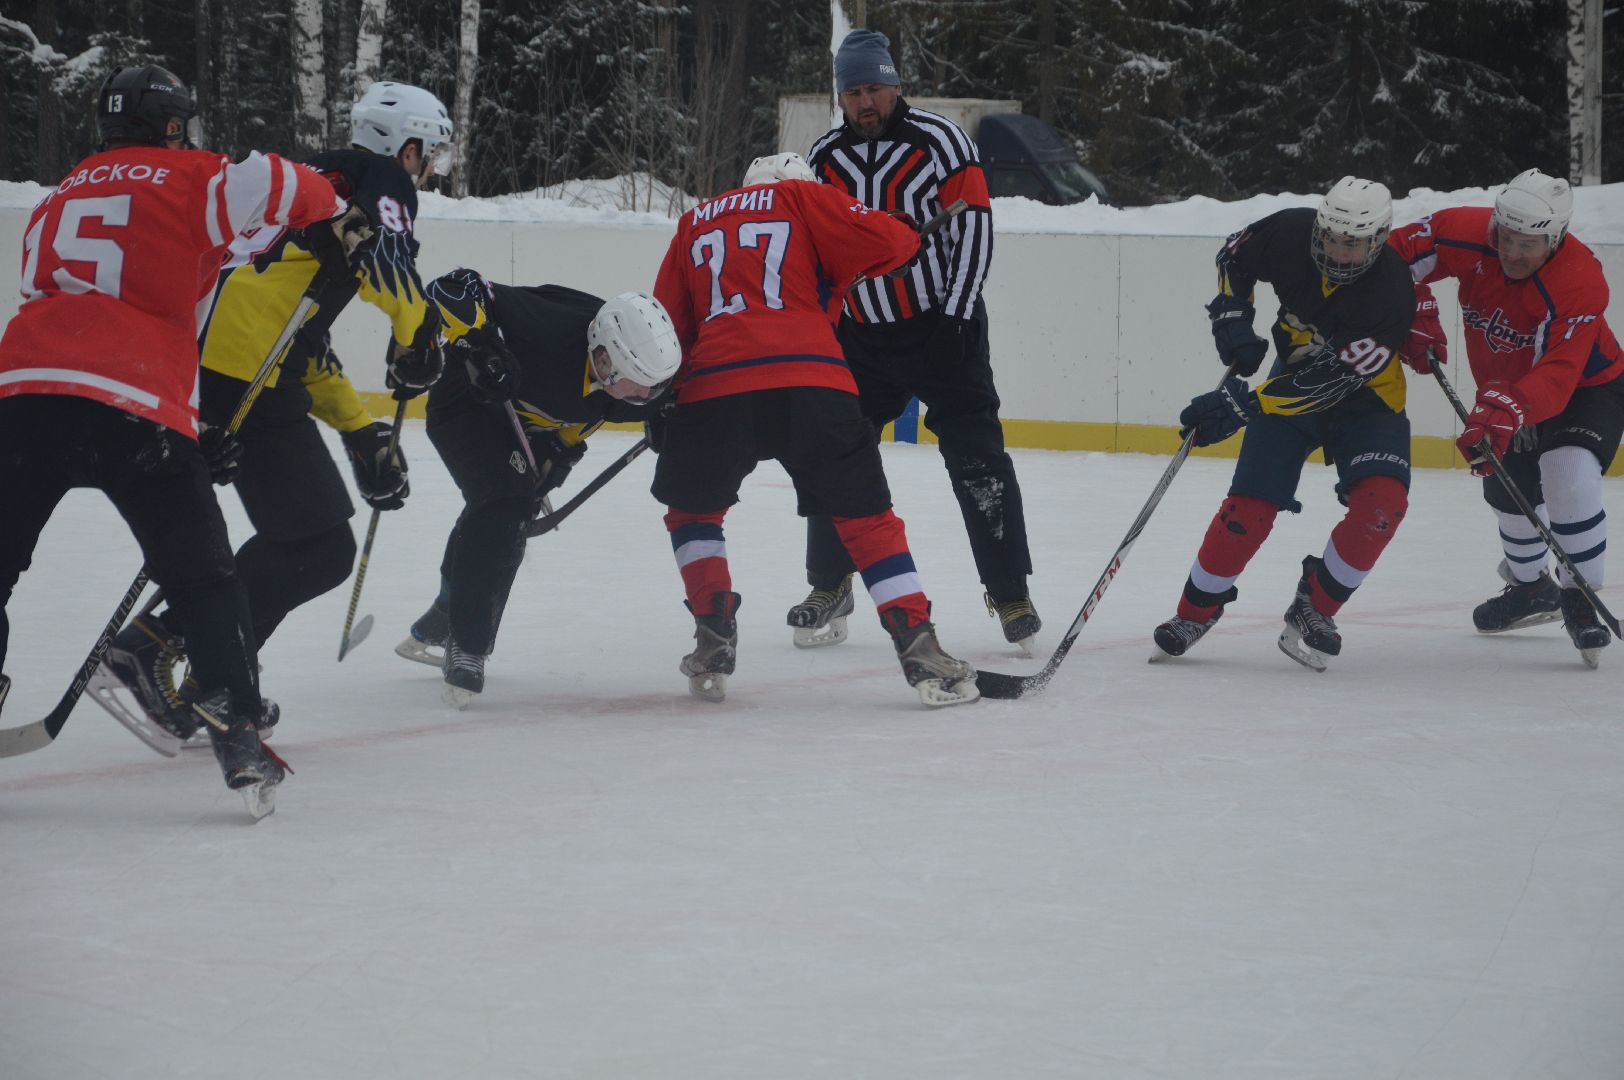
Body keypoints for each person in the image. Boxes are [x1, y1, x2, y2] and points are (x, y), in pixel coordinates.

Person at [0, 66, 349, 802]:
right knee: (202, 575)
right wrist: (334, 197)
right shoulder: (193, 178)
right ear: (169, 125)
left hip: (23, 392)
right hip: (131, 399)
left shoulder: (57, 197)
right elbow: (282, 184)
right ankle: (235, 725)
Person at [94, 80, 453, 736]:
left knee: (307, 541)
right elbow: (390, 270)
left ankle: (208, 681)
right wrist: (418, 337)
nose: (427, 171)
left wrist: (358, 428)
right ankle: (162, 648)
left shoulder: (322, 176)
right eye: (427, 154)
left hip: (213, 363)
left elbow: (297, 332)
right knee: (318, 548)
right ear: (405, 149)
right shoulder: (380, 181)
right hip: (243, 373)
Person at [650, 153, 979, 707]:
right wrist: (900, 230)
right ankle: (918, 643)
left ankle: (712, 634)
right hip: (811, 379)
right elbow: (891, 243)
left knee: (693, 512)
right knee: (867, 519)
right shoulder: (803, 196)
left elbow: (667, 321)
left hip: (716, 382)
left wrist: (670, 400)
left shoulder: (696, 220)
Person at [794, 29, 1040, 654]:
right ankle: (830, 582)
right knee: (833, 452)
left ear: (896, 85)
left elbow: (975, 230)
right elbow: (815, 253)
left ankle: (1010, 591)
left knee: (978, 460)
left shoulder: (942, 142)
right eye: (853, 92)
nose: (865, 102)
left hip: (941, 326)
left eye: (874, 87)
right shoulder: (822, 159)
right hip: (861, 338)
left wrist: (955, 318)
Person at [1150, 177, 1416, 670]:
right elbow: (1235, 257)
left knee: (1382, 510)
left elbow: (1329, 382)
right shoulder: (1291, 231)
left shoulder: (1392, 295)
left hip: (1367, 401)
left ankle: (1315, 606)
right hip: (1287, 380)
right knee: (1245, 511)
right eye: (1330, 236)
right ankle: (1194, 612)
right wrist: (1232, 316)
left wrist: (1242, 407)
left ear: (1377, 241)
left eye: (1352, 243)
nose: (1336, 250)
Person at [395, 269, 680, 706]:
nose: (638, 397)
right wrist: (481, 348)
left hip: (533, 427)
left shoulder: (639, 384)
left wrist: (564, 454)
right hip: (468, 403)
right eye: (631, 382)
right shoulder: (545, 327)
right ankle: (467, 644)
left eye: (650, 391)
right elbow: (450, 287)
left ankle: (445, 612)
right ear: (602, 352)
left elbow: (588, 414)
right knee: (502, 505)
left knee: (502, 511)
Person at [1388, 169, 1623, 666]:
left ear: (1555, 239)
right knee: (1505, 490)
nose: (1512, 252)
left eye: (1528, 245)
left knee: (1568, 469)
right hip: (1503, 389)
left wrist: (1508, 408)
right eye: (1506, 237)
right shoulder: (1465, 230)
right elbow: (1390, 256)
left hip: (1587, 387)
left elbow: (1558, 374)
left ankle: (1580, 601)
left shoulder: (1580, 280)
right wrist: (1412, 305)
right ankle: (1529, 589)